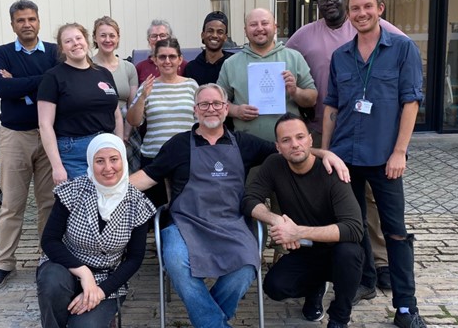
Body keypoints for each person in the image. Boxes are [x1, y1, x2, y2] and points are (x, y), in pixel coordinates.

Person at [129, 84, 348, 328]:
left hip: (231, 223)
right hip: (185, 224)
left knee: (246, 266)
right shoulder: (177, 145)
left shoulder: (244, 143)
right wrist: (106, 190)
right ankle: (215, 323)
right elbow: (147, 177)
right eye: (204, 104)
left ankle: (208, 321)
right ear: (195, 110)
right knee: (176, 263)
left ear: (225, 109)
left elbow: (286, 149)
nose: (211, 109)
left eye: (217, 104)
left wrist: (323, 153)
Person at [322, 0, 426, 328]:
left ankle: (406, 307)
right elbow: (332, 107)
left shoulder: (402, 49)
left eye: (367, 7)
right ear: (349, 14)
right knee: (354, 228)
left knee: (395, 231)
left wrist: (400, 152)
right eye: (355, 9)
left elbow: (410, 102)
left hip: (385, 158)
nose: (361, 13)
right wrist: (326, 151)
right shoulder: (341, 56)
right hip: (345, 158)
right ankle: (364, 282)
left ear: (380, 8)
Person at [286, 0, 399, 289]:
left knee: (371, 201)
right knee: (340, 200)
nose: (330, 4)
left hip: (367, 133)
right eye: (323, 0)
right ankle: (349, 260)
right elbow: (281, 61)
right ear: (317, 5)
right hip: (322, 129)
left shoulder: (368, 25)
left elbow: (401, 54)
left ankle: (381, 260)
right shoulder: (303, 36)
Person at [242, 113, 364, 328]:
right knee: (275, 287)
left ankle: (339, 318)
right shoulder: (274, 164)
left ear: (310, 139)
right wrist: (277, 220)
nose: (295, 145)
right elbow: (249, 200)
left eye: (300, 137)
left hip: (338, 252)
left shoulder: (331, 171)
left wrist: (298, 232)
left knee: (350, 253)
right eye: (286, 140)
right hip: (305, 252)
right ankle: (314, 288)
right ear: (278, 146)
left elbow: (354, 228)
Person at [36, 133, 155, 328]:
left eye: (114, 159)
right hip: (65, 267)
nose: (108, 168)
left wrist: (101, 291)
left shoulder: (138, 204)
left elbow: (134, 258)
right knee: (52, 283)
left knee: (84, 326)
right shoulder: (74, 191)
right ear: (91, 163)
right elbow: (49, 240)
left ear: (123, 161)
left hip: (105, 278)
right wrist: (84, 273)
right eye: (100, 161)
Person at [0, 0, 57, 290]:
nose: (27, 24)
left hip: (49, 134)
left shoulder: (54, 52)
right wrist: (41, 81)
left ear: (39, 21)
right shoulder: (0, 54)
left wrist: (21, 82)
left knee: (49, 203)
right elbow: (1, 87)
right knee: (12, 203)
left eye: (31, 19)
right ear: (12, 24)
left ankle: (47, 259)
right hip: (15, 136)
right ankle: (4, 263)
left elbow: (59, 82)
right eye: (20, 20)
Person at [38, 22, 124, 184]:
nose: (75, 43)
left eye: (78, 38)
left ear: (87, 42)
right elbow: (45, 124)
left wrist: (120, 149)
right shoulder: (53, 77)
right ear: (62, 48)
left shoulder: (103, 73)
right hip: (74, 154)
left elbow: (116, 115)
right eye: (68, 41)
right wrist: (57, 166)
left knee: (109, 203)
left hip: (106, 149)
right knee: (85, 205)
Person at [217, 8, 317, 142]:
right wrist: (236, 110)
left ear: (275, 27)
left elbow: (312, 99)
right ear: (245, 30)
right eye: (253, 25)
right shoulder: (231, 64)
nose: (259, 28)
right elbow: (218, 102)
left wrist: (295, 91)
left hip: (288, 146)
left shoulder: (294, 57)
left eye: (265, 23)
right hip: (247, 144)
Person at [127, 38, 198, 207]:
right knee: (155, 213)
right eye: (162, 57)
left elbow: (199, 122)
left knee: (184, 210)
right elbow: (133, 121)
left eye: (172, 56)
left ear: (180, 59)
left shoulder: (191, 86)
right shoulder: (147, 86)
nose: (167, 61)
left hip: (186, 158)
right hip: (154, 159)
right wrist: (143, 96)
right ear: (154, 60)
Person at [91, 16, 142, 173]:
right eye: (103, 35)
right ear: (94, 38)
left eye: (112, 35)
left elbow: (133, 104)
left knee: (129, 176)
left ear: (118, 38)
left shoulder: (128, 68)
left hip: (128, 128)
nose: (108, 40)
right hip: (96, 127)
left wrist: (125, 135)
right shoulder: (87, 66)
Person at [184, 11, 234, 86]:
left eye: (220, 32)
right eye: (210, 31)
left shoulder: (233, 64)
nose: (214, 35)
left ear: (225, 37)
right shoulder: (191, 68)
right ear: (202, 35)